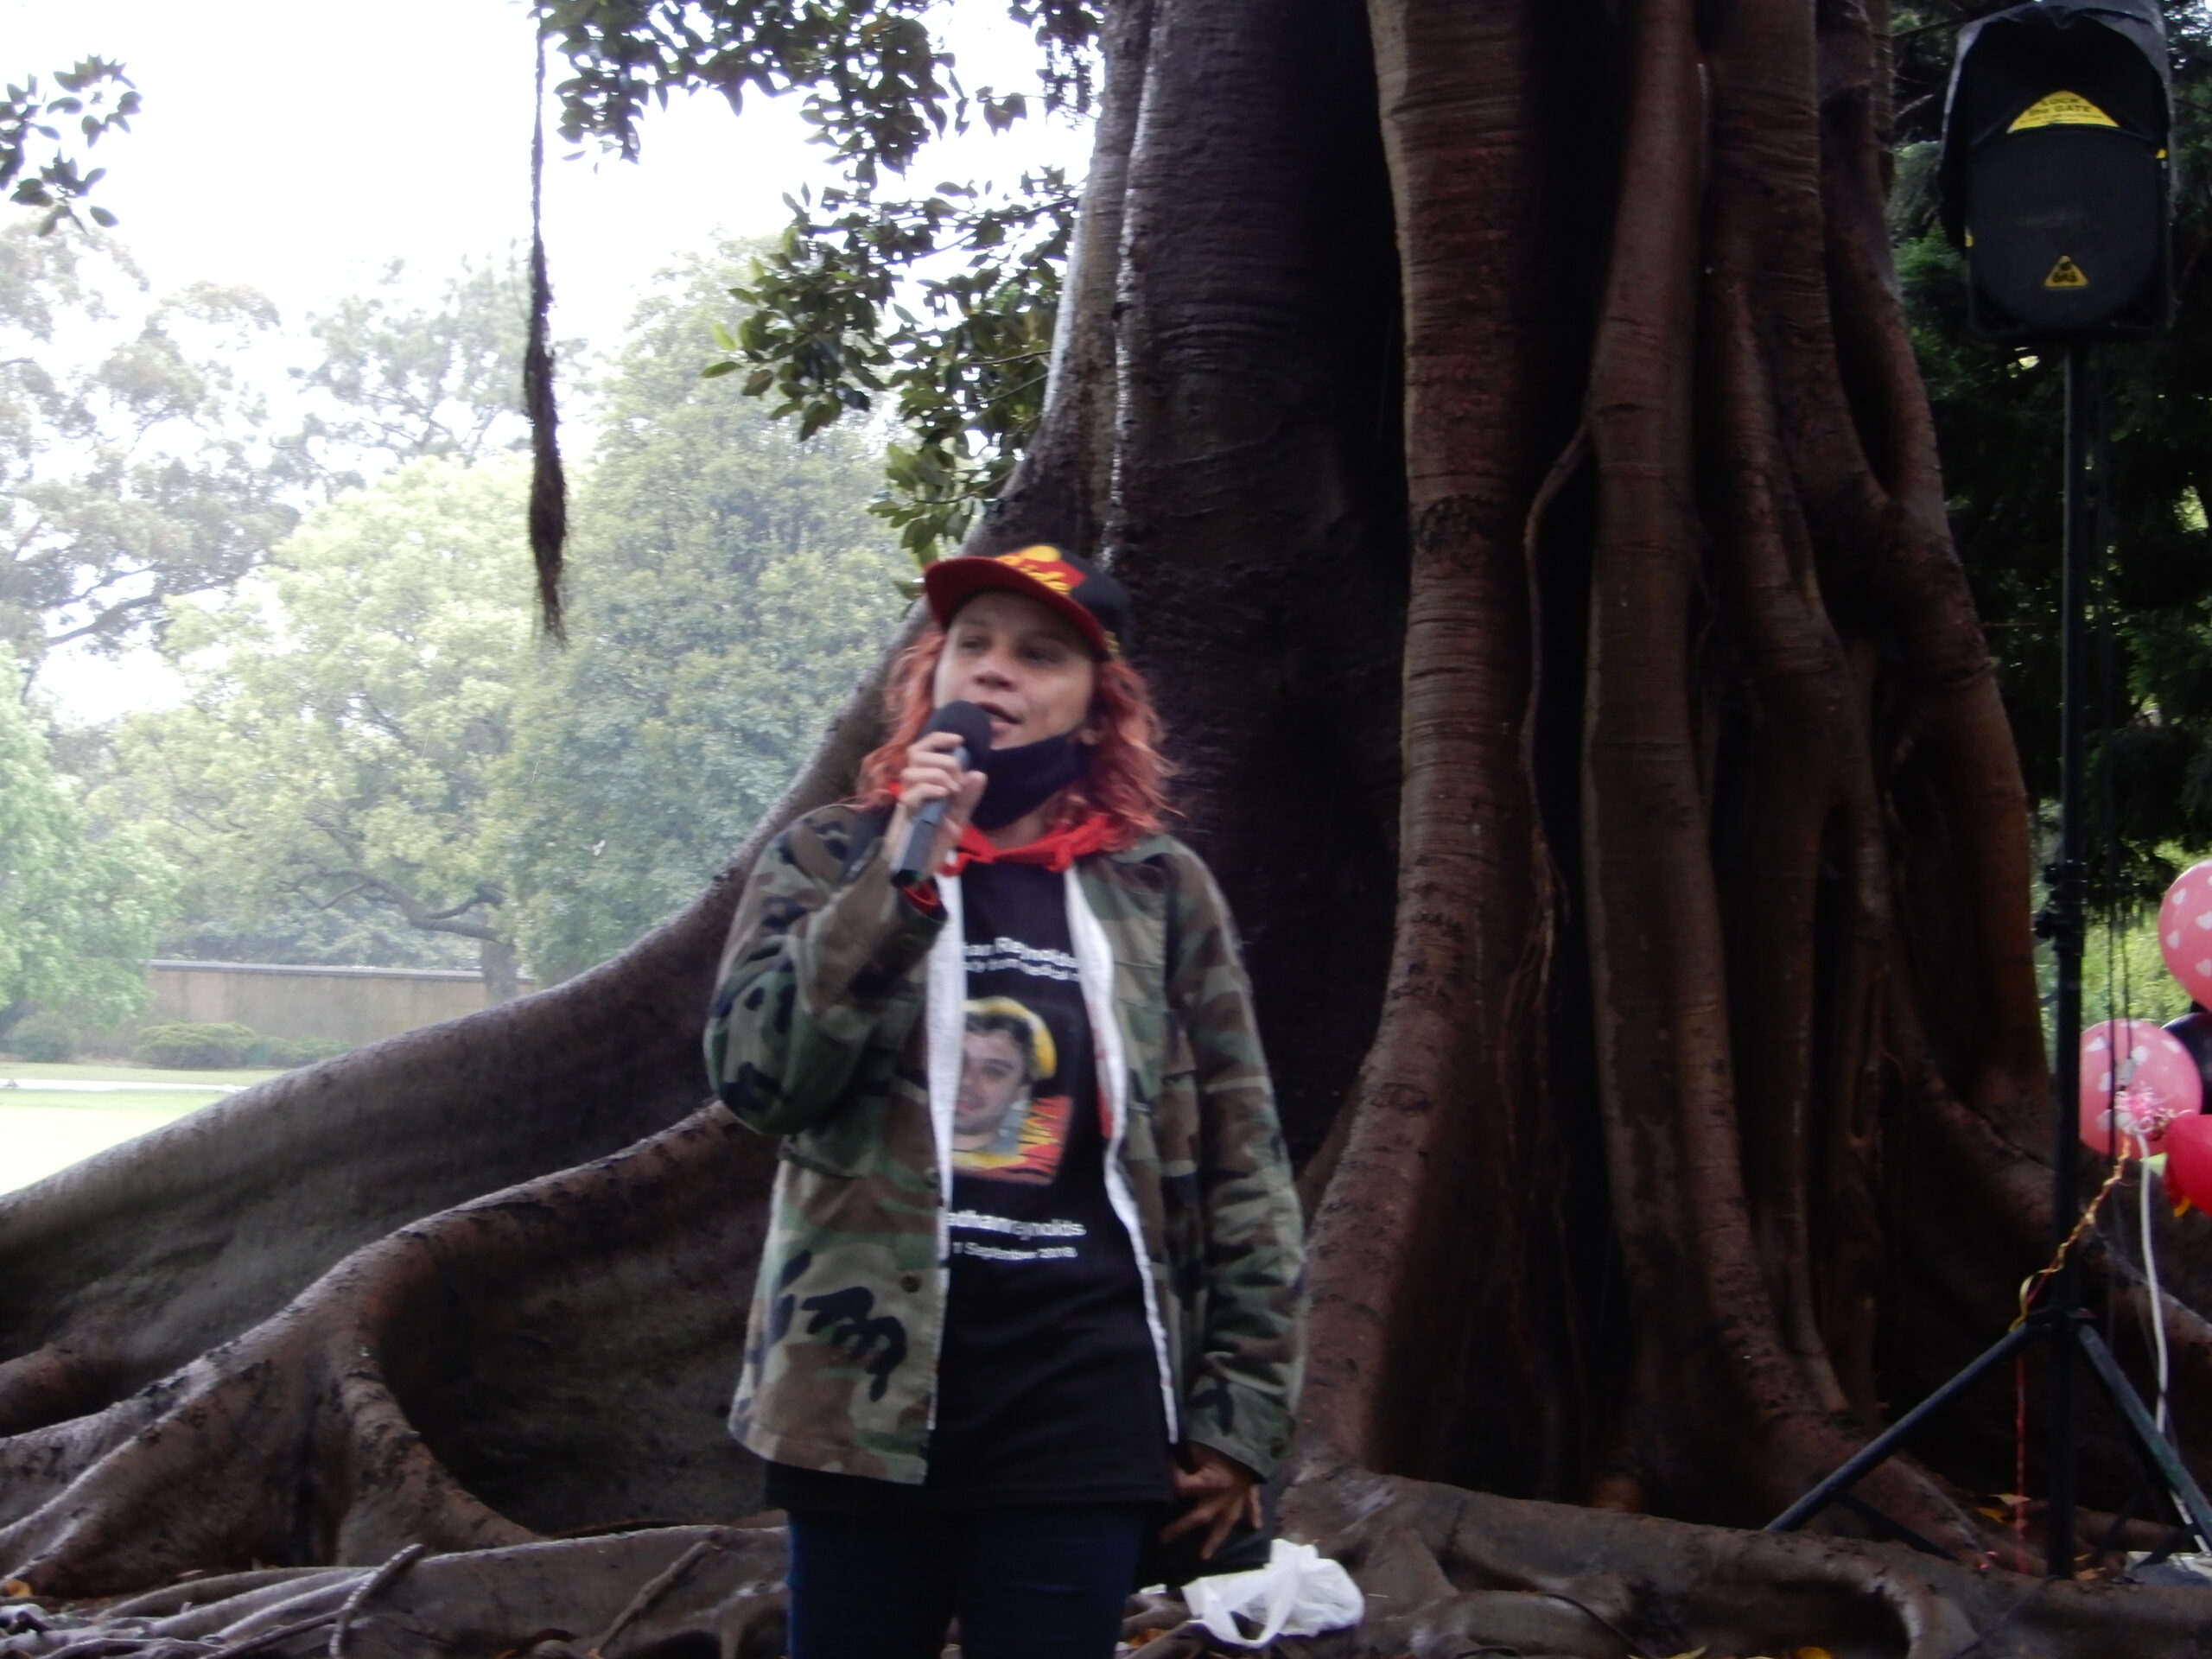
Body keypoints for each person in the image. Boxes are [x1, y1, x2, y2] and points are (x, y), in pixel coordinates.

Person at [704, 543, 1306, 1659]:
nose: (994, 673)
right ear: (930, 679)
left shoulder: (1157, 889)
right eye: (970, 645)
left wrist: (1241, 1420)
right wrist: (896, 879)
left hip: (1081, 1398)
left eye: (1038, 656)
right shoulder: (827, 857)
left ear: (1095, 710)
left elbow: (1245, 1160)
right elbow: (761, 1083)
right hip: (860, 1395)